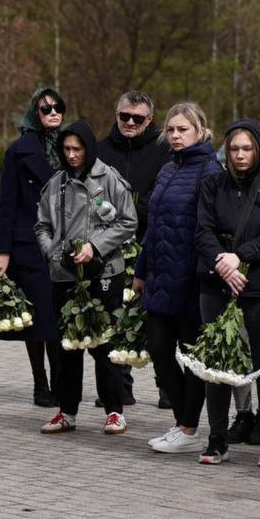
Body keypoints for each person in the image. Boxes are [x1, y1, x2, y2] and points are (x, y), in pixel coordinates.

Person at [195, 121, 260, 466]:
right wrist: (225, 265)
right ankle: (217, 439)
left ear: (259, 151)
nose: (239, 155)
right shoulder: (212, 184)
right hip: (216, 285)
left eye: (246, 148)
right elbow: (202, 230)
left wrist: (243, 256)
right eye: (234, 148)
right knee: (218, 366)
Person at [35, 120, 138, 435]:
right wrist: (53, 252)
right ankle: (66, 411)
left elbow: (128, 221)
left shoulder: (108, 179)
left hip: (104, 273)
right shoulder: (56, 183)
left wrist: (95, 247)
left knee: (104, 343)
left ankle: (114, 411)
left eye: (77, 149)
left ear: (89, 148)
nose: (71, 155)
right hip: (65, 275)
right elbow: (41, 224)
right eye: (66, 149)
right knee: (66, 346)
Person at [134, 103, 221, 453]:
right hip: (158, 275)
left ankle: (188, 428)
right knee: (158, 347)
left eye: (183, 130)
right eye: (171, 130)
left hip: (190, 279)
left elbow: (209, 228)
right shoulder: (169, 168)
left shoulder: (210, 170)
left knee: (190, 356)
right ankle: (183, 422)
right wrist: (141, 272)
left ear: (200, 131)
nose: (175, 136)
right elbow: (153, 227)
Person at [96, 90, 171, 407]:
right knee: (115, 316)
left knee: (158, 317)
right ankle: (118, 388)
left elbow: (162, 197)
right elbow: (92, 193)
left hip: (152, 242)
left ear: (149, 120)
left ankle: (168, 386)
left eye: (137, 118)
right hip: (111, 246)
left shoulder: (164, 149)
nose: (129, 122)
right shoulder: (100, 150)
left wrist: (128, 211)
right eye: (124, 116)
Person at [0, 88, 65, 406]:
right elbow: (6, 203)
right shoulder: (19, 151)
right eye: (45, 108)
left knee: (61, 316)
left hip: (67, 244)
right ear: (33, 114)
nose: (52, 112)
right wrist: (3, 251)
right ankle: (41, 383)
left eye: (57, 107)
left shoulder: (73, 147)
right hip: (29, 244)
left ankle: (63, 381)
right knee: (38, 318)